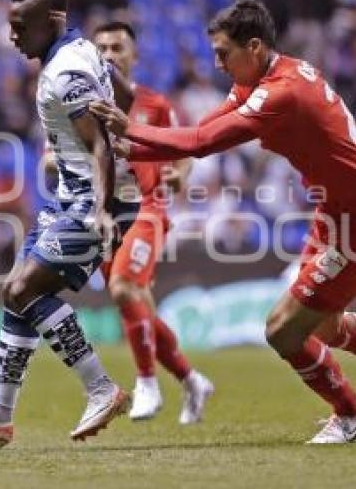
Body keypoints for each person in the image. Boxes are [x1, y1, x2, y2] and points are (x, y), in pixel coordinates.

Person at [90, 0, 356, 444]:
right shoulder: (266, 77)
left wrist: (128, 130)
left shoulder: (281, 93)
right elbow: (204, 129)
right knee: (323, 326)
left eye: (224, 54)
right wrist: (139, 148)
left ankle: (351, 413)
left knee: (282, 330)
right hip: (335, 215)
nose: (219, 64)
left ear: (255, 47)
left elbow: (203, 142)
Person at [0, 0, 136, 447]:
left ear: (53, 21)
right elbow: (124, 100)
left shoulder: (65, 72)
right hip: (68, 195)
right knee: (15, 291)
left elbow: (101, 147)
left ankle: (101, 388)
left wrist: (104, 210)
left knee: (24, 288)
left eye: (21, 26)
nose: (12, 35)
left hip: (95, 199)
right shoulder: (81, 49)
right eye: (10, 25)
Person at [92, 21, 214, 423]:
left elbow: (182, 146)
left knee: (124, 287)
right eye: (103, 48)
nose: (110, 55)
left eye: (118, 47)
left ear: (134, 55)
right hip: (106, 217)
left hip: (147, 208)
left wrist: (180, 173)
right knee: (137, 304)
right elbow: (52, 155)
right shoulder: (82, 106)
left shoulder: (154, 104)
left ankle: (147, 383)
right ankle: (192, 380)